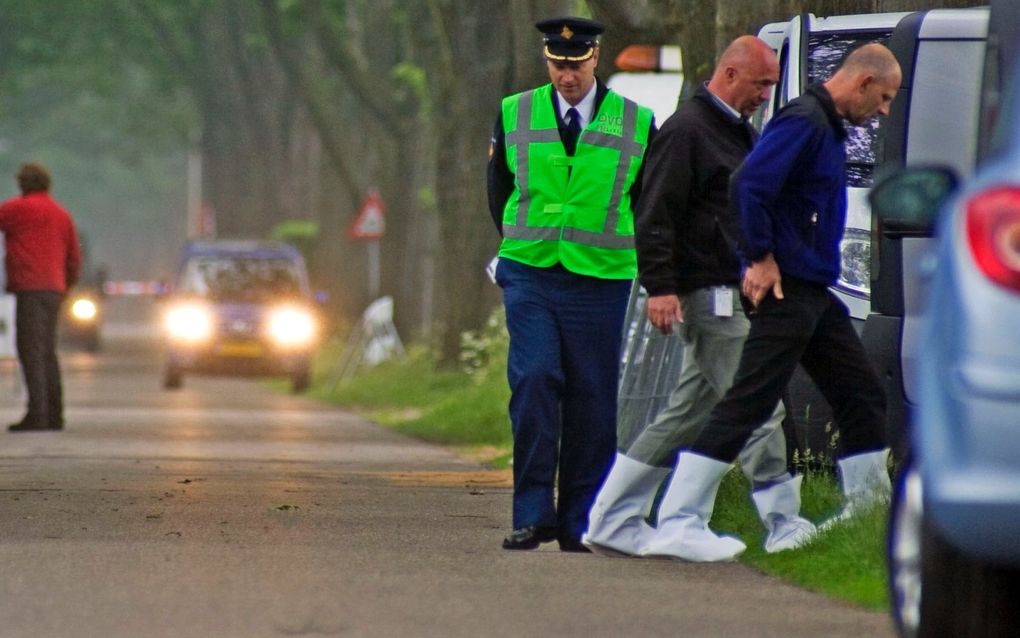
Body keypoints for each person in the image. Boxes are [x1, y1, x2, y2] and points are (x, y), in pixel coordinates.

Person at [642, 44, 901, 561]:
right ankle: (679, 517)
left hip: (813, 289)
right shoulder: (804, 120)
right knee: (749, 402)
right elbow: (749, 184)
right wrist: (758, 256)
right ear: (864, 82)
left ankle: (869, 507)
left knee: (862, 392)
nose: (886, 110)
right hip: (787, 289)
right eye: (886, 97)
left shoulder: (826, 127)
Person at [583, 36, 816, 560]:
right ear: (730, 74)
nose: (767, 93)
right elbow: (652, 212)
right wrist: (660, 287)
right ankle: (784, 522)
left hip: (726, 291)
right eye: (762, 83)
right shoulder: (687, 130)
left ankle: (616, 519)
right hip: (705, 294)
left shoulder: (734, 131)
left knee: (689, 411)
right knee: (757, 403)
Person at [487, 16, 656, 552]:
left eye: (575, 64)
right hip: (531, 271)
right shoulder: (515, 111)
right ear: (547, 62)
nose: (566, 76)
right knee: (535, 379)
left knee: (592, 398)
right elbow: (499, 190)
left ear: (595, 59)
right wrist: (518, 244)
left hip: (601, 278)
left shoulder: (637, 121)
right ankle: (533, 513)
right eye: (557, 65)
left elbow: (649, 201)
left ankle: (580, 520)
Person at [0, 162, 81, 432]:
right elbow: (74, 256)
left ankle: (37, 414)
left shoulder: (17, 209)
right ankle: (55, 414)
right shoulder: (62, 214)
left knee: (30, 350)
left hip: (30, 288)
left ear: (23, 184)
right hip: (54, 290)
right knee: (47, 350)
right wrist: (66, 285)